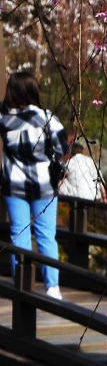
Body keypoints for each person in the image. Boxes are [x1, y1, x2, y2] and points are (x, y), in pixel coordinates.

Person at [1, 69, 69, 300]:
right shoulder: (47, 118)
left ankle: (22, 283)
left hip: (14, 185)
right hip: (44, 185)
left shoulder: (4, 120)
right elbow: (63, 148)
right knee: (46, 235)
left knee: (19, 233)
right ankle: (52, 287)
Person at [58, 135, 107, 203]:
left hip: (77, 196)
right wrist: (104, 197)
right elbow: (100, 179)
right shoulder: (90, 161)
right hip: (93, 196)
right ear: (82, 151)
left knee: (60, 182)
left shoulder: (69, 163)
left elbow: (61, 177)